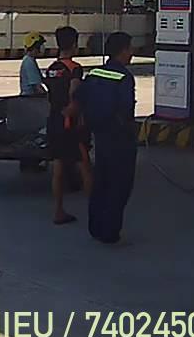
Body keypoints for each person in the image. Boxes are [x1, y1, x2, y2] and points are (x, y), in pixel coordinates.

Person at [76, 32, 138, 244]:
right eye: (130, 48)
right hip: (120, 138)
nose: (132, 52)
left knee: (101, 182)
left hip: (100, 136)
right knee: (120, 185)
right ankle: (110, 231)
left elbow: (79, 96)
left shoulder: (95, 73)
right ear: (123, 51)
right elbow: (126, 109)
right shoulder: (124, 77)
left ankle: (95, 226)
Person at [43, 26, 95, 225]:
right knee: (84, 165)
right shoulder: (75, 68)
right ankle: (95, 212)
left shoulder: (51, 68)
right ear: (74, 44)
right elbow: (74, 93)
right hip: (70, 122)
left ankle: (58, 211)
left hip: (54, 119)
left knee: (58, 166)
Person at [19, 31, 47, 96]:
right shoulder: (29, 62)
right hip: (30, 97)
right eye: (40, 45)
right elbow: (37, 87)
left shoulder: (29, 59)